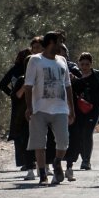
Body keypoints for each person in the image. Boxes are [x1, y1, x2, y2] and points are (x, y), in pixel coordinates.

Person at [24, 31, 75, 185]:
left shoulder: (62, 61)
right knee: (39, 143)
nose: (62, 45)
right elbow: (28, 86)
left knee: (63, 141)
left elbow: (68, 85)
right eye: (60, 42)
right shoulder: (35, 60)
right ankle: (42, 176)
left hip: (60, 109)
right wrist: (29, 107)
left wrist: (71, 109)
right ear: (52, 42)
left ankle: (57, 161)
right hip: (39, 108)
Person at [65, 52, 99, 178]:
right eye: (82, 64)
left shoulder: (96, 74)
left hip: (94, 109)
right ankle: (83, 158)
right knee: (80, 133)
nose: (85, 67)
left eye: (87, 64)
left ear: (91, 64)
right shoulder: (75, 75)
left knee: (87, 133)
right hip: (79, 109)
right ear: (79, 64)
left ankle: (86, 161)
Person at [0, 48, 33, 175]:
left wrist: (11, 94)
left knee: (21, 133)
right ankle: (26, 161)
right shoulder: (20, 69)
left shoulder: (16, 69)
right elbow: (2, 84)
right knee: (21, 132)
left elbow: (2, 85)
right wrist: (12, 94)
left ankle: (25, 161)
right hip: (20, 102)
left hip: (19, 103)